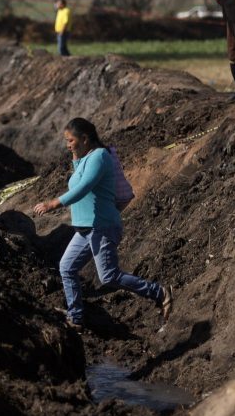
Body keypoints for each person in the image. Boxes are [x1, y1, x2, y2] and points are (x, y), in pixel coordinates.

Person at [32, 118, 172, 332]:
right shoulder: (86, 157)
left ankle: (159, 292)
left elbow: (84, 187)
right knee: (67, 267)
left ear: (85, 139)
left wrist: (53, 204)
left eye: (71, 141)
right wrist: (75, 157)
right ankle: (76, 318)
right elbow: (77, 180)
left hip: (102, 226)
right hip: (85, 229)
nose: (68, 145)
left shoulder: (100, 156)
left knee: (108, 276)